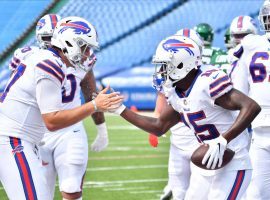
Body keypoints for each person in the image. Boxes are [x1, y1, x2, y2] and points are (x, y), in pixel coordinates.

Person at [110, 35, 261, 199]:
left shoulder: (207, 82)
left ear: (182, 63)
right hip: (209, 164)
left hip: (233, 160)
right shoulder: (176, 92)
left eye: (165, 65)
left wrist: (224, 139)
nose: (161, 71)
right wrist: (120, 109)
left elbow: (251, 106)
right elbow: (159, 126)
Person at [0, 16, 123, 200]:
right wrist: (95, 105)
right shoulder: (50, 64)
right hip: (13, 139)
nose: (87, 53)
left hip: (24, 139)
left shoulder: (47, 59)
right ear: (69, 43)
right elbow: (52, 120)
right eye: (85, 47)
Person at [155, 28, 202, 200]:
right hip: (178, 138)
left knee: (198, 193)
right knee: (178, 190)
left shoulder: (205, 78)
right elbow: (162, 97)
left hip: (199, 138)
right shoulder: (170, 75)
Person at [232, 1, 270, 199]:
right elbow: (240, 92)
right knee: (256, 194)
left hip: (259, 129)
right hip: (260, 133)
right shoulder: (250, 44)